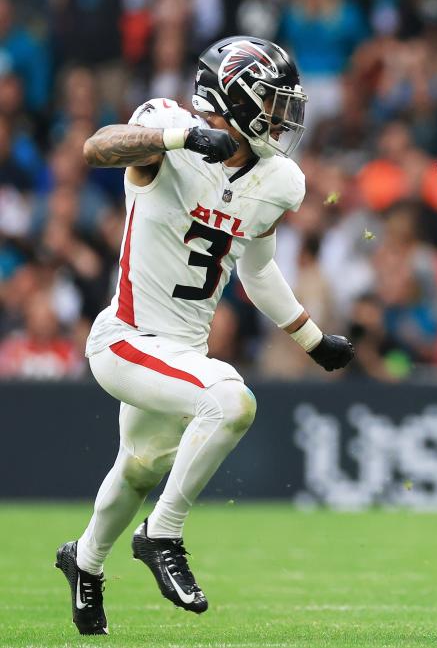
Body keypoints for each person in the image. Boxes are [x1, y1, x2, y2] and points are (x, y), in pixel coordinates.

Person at [55, 36, 355, 635]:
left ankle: (83, 561)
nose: (284, 116)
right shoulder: (168, 131)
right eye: (271, 102)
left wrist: (312, 338)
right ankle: (161, 534)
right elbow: (96, 148)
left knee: (138, 467)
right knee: (231, 401)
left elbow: (257, 266)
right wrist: (182, 138)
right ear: (235, 99)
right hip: (126, 337)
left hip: (182, 351)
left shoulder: (277, 179)